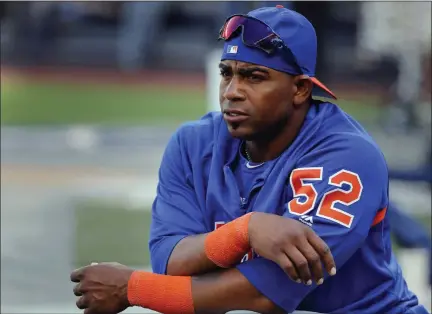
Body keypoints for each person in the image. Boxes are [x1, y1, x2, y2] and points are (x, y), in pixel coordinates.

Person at [70, 6, 428, 314]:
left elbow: (265, 293)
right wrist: (245, 231)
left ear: (301, 89)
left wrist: (132, 289)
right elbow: (170, 262)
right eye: (228, 73)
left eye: (254, 77)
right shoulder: (193, 144)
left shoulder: (346, 155)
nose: (232, 92)